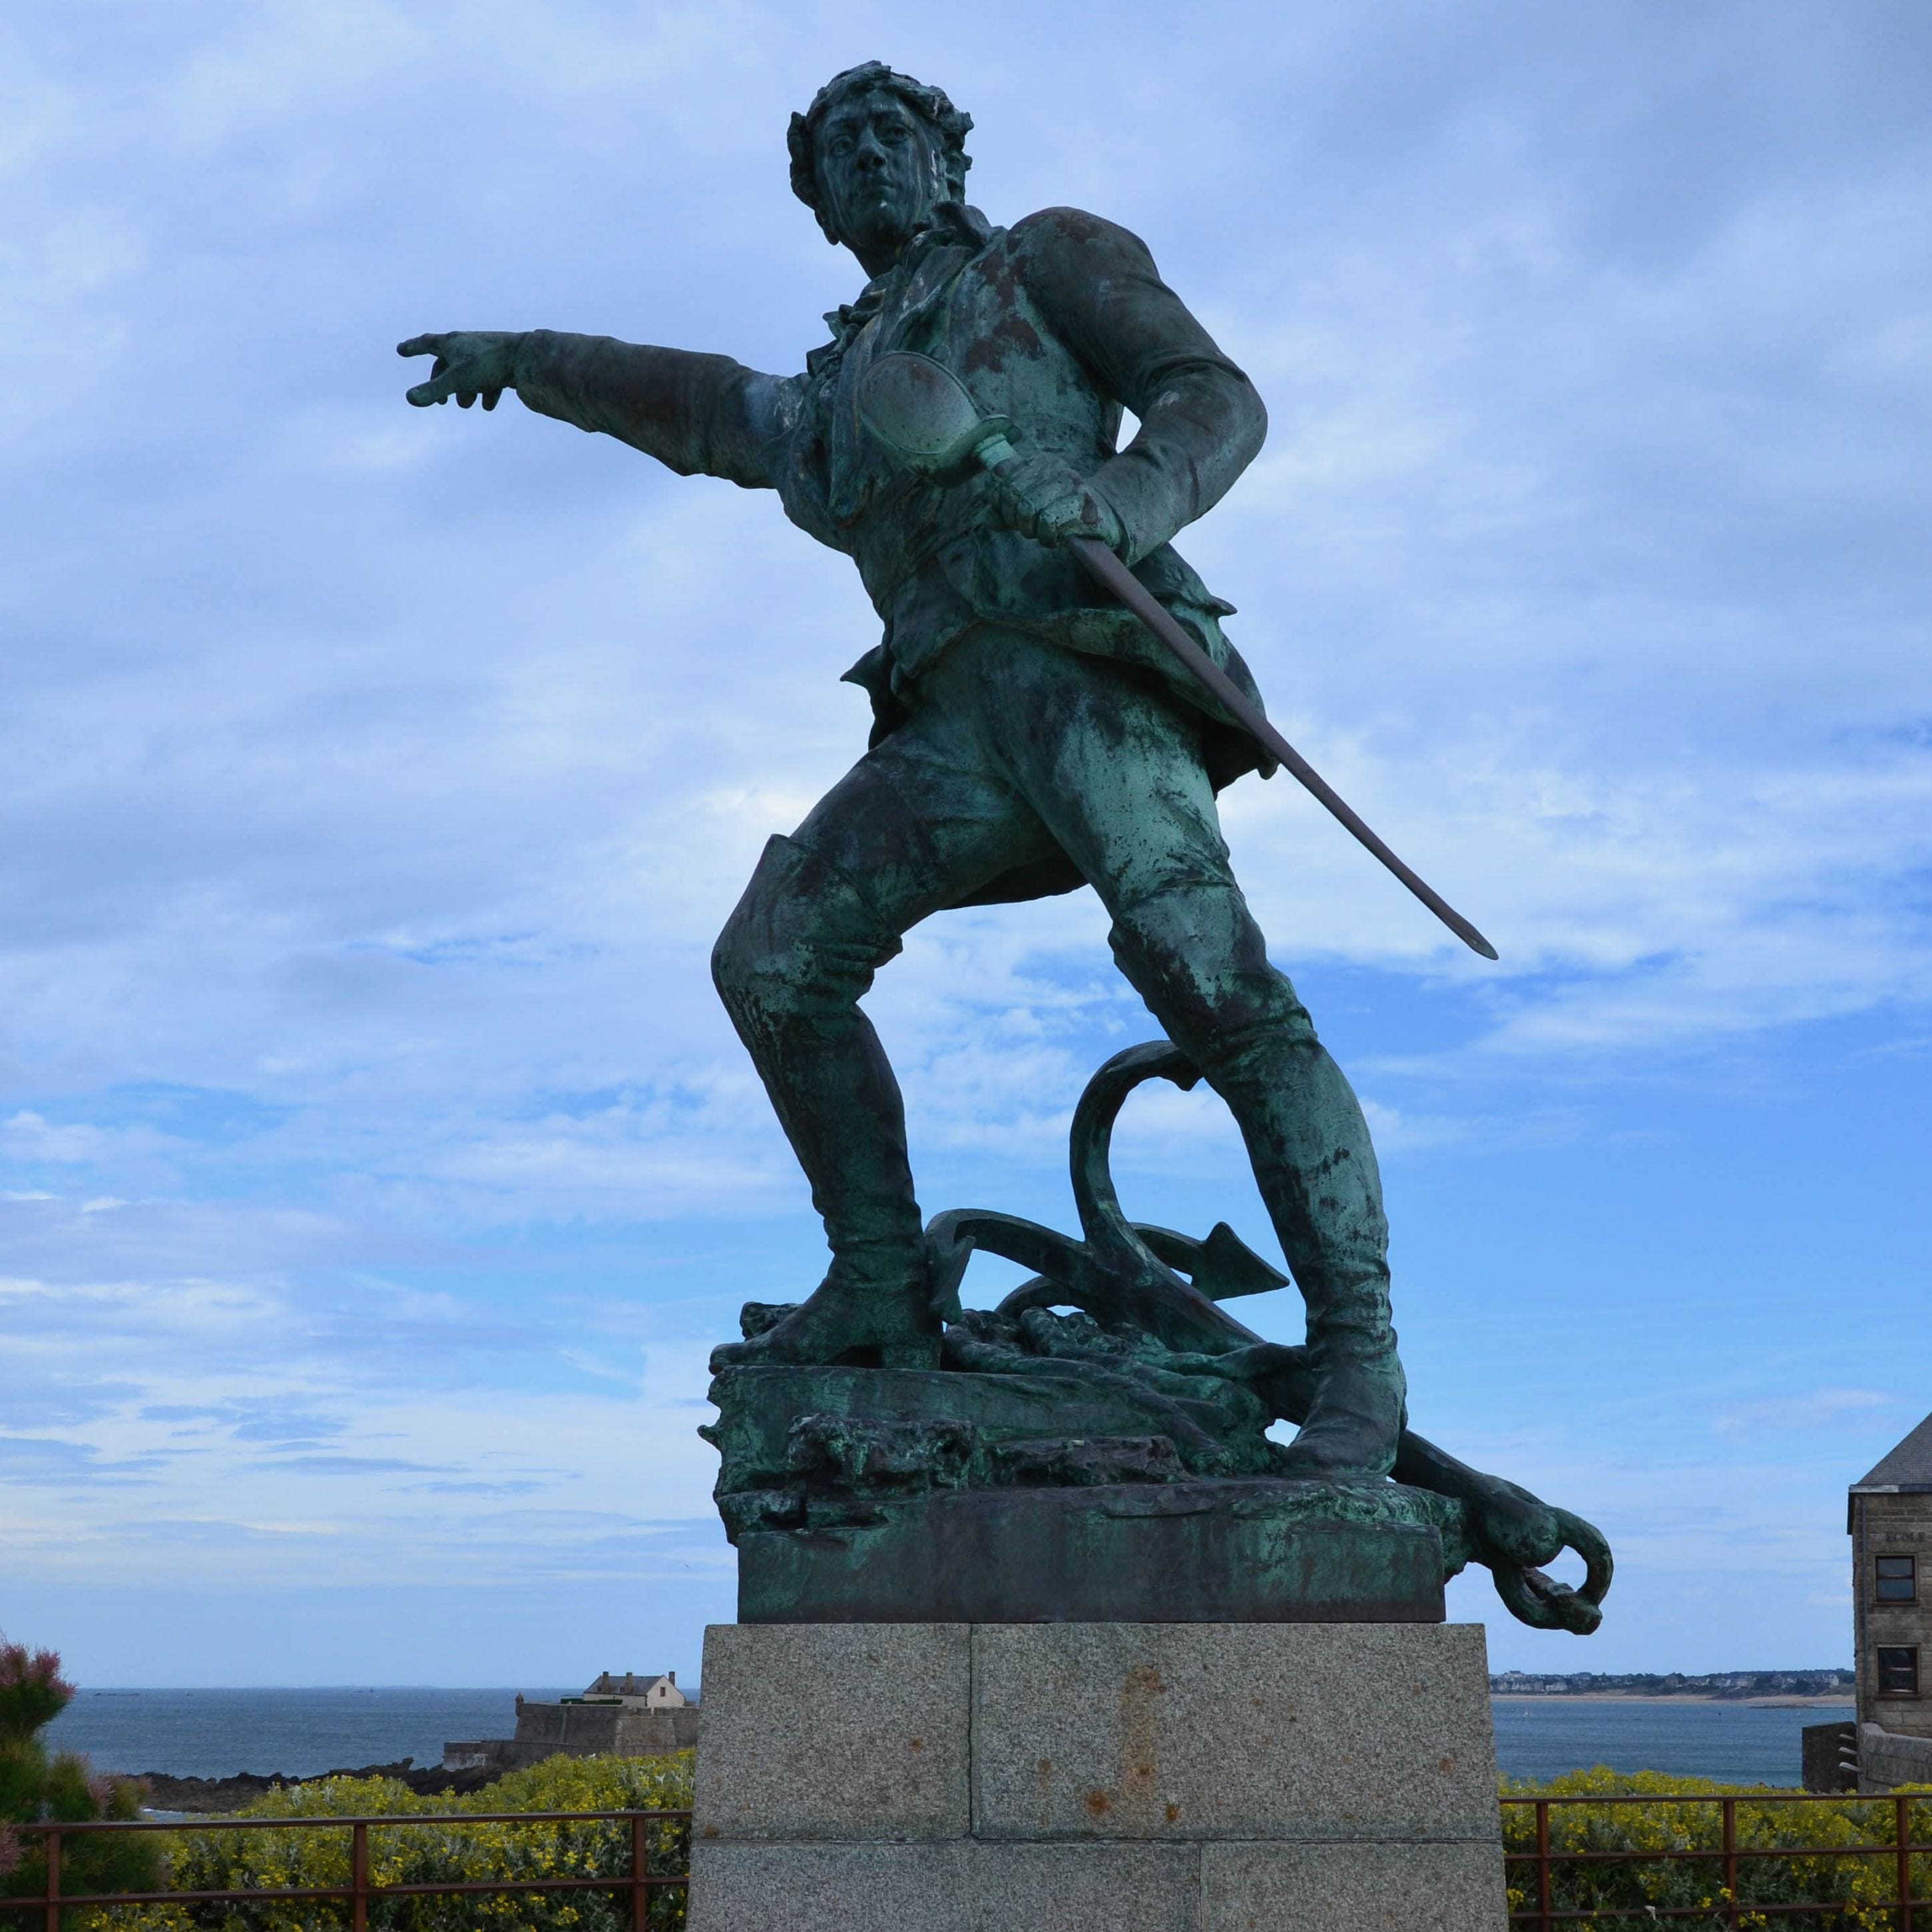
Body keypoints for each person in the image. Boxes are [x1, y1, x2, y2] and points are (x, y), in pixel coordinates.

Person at [399, 61, 1408, 1479]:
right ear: (814, 195)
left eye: (897, 132)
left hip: (1080, 674)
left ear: (945, 157)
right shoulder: (831, 402)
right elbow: (694, 406)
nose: (872, 156)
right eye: (842, 147)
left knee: (1210, 980)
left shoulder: (1043, 259)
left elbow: (1211, 397)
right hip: (947, 728)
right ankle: (877, 1273)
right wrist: (524, 356)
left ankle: (1360, 1352)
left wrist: (1117, 493)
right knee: (772, 958)